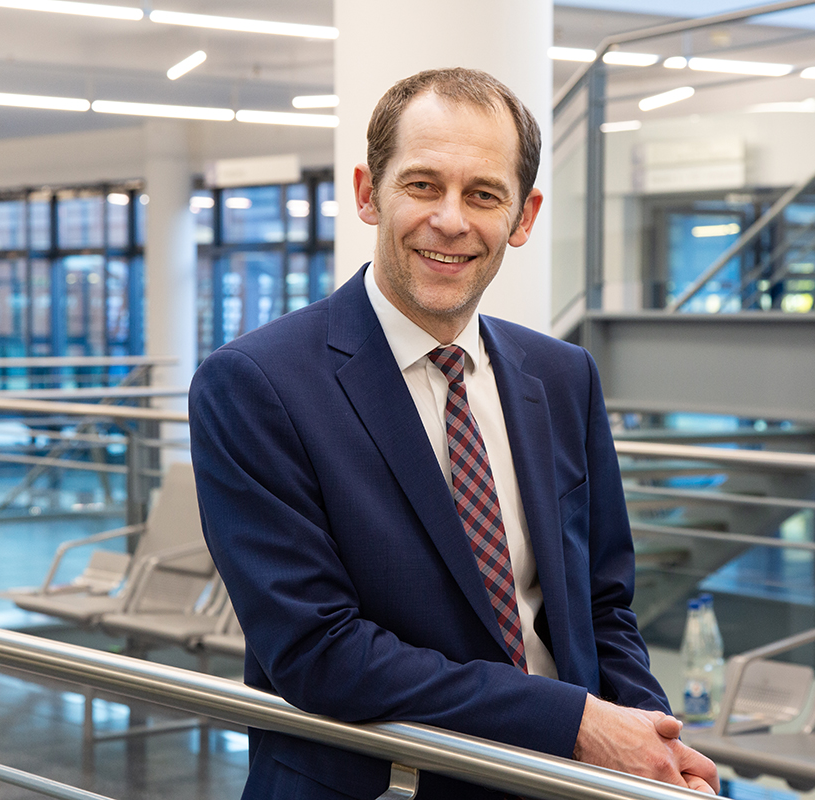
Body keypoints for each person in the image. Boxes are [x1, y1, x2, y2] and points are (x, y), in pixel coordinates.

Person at [189, 67, 719, 800]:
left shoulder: (563, 377)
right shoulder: (256, 385)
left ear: (523, 217)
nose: (450, 220)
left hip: (567, 784)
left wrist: (653, 743)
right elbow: (319, 651)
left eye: (484, 195)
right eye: (423, 185)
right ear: (368, 194)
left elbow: (603, 604)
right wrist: (573, 724)